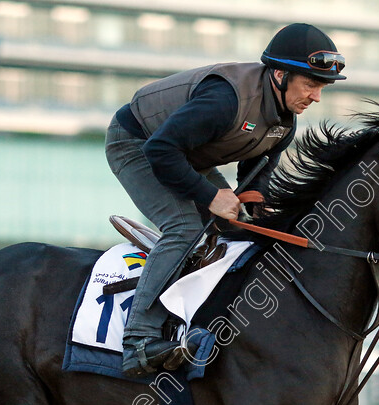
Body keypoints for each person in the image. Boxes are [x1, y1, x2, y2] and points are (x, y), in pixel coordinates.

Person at [105, 23, 347, 377]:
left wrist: (256, 207)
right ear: (280, 75)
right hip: (139, 143)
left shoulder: (286, 121)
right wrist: (209, 197)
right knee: (186, 227)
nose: (316, 97)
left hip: (185, 156)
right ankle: (138, 340)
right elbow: (160, 150)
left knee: (243, 230)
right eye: (310, 85)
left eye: (321, 87)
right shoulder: (225, 100)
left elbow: (257, 171)